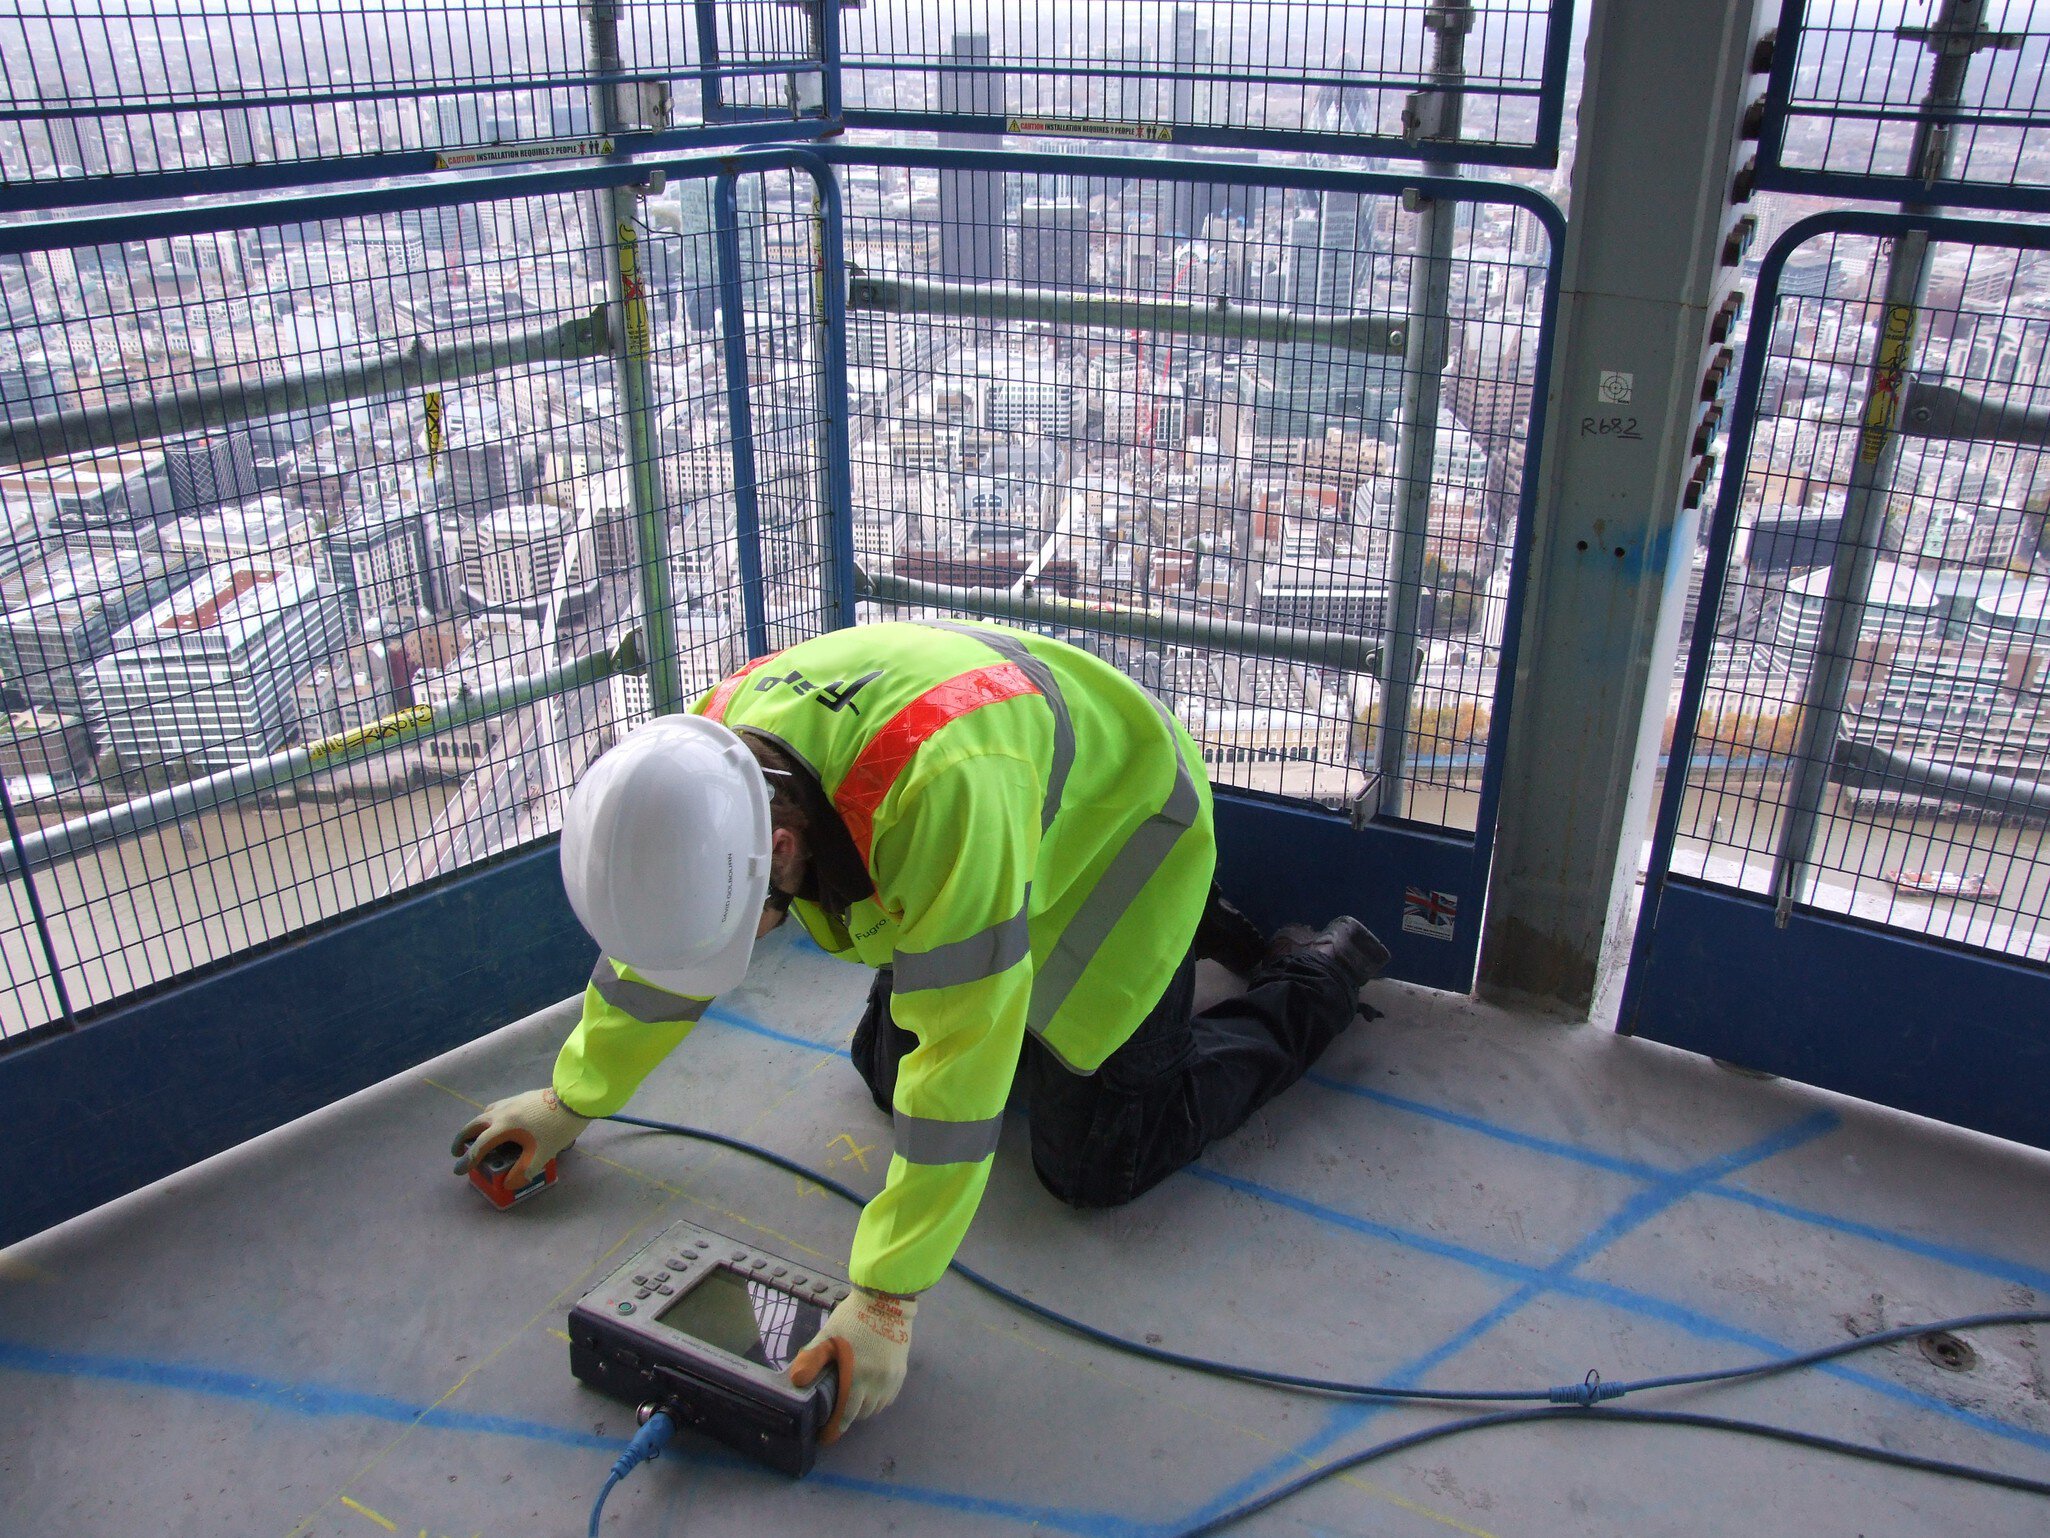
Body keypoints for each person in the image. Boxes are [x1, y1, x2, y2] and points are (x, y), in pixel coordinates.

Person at [452, 619, 1388, 1439]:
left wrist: (887, 1298)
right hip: (1005, 809)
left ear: (780, 849)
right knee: (884, 1071)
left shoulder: (937, 798)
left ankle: (1313, 974)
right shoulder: (709, 765)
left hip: (1118, 833)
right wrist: (569, 1099)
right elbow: (663, 940)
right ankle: (1141, 940)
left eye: (751, 922)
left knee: (1098, 1159)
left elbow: (962, 1047)